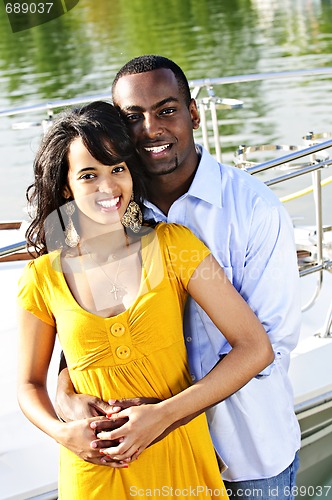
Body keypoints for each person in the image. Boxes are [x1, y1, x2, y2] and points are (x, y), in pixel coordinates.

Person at [56, 56, 302, 499]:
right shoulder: (111, 207)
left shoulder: (254, 210)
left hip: (247, 455)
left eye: (166, 110)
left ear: (193, 112)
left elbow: (268, 346)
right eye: (133, 117)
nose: (150, 129)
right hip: (151, 461)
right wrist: (64, 394)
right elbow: (79, 317)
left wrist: (167, 413)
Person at [17, 101, 274, 499]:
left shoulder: (176, 247)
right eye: (89, 175)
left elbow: (255, 348)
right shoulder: (42, 277)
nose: (108, 187)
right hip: (95, 474)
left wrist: (164, 416)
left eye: (117, 169)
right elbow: (29, 384)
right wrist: (63, 432)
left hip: (179, 462)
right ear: (67, 187)